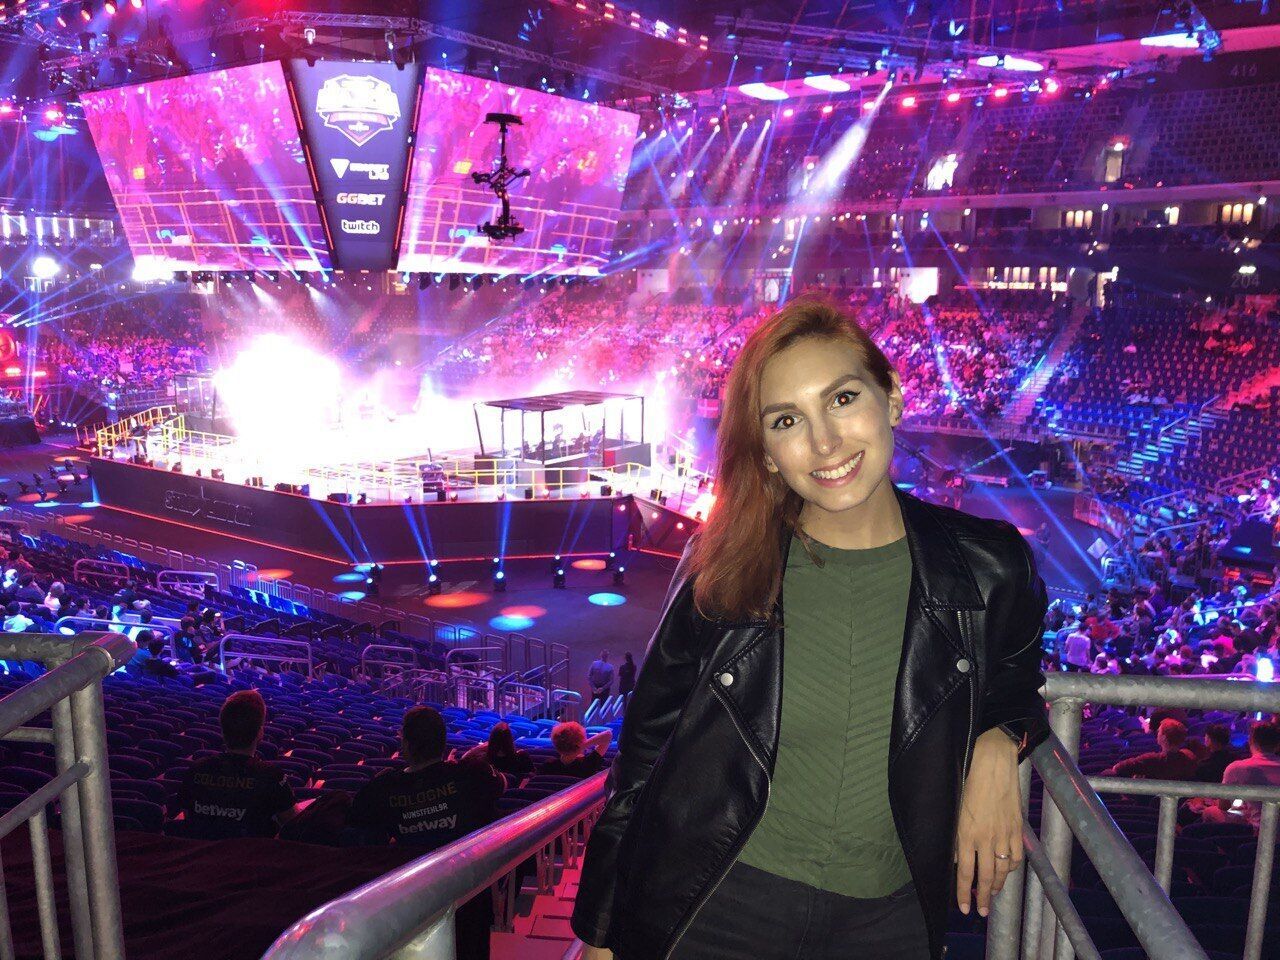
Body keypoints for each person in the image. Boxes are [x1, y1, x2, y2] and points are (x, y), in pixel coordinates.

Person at [571, 299, 1050, 960]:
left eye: (843, 399)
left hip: (889, 925)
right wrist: (600, 932)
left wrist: (999, 743)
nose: (823, 443)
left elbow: (1017, 673)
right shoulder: (723, 566)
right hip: (711, 908)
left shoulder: (992, 564)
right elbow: (642, 755)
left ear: (893, 397)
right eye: (787, 420)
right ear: (768, 454)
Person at [348, 706, 504, 960]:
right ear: (443, 743)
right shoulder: (470, 775)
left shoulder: (383, 787)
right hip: (468, 894)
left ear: (406, 745)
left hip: (410, 898)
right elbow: (499, 784)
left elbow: (357, 819)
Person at [176, 690, 296, 839]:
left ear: (223, 731)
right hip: (250, 853)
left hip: (203, 851)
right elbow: (293, 825)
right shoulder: (271, 777)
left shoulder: (196, 770)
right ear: (260, 733)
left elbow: (189, 818)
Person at [1100, 718, 1200, 780]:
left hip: (1150, 801)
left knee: (1106, 774)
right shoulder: (1189, 756)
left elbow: (1118, 768)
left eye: (1159, 732)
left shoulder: (1151, 759)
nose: (1157, 734)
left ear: (1164, 738)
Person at [459, 721, 535, 782]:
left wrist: (478, 748)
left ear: (491, 739)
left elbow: (463, 760)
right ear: (510, 739)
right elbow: (532, 775)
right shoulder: (521, 756)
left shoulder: (483, 761)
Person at [537, 722, 612, 780]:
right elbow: (608, 735)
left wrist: (578, 746)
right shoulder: (587, 765)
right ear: (581, 741)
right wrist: (581, 746)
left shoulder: (547, 766)